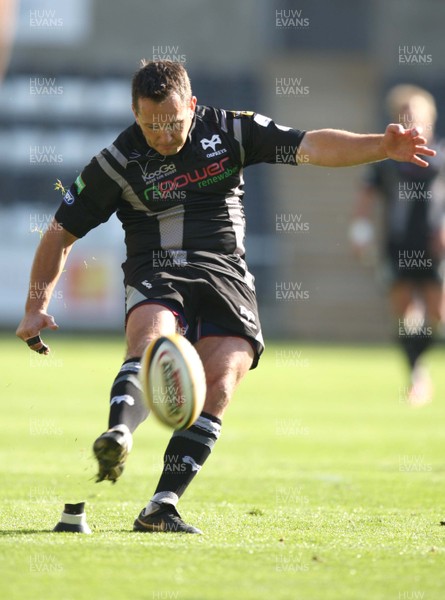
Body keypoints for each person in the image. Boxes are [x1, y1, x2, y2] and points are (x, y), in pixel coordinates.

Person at [16, 61, 436, 534]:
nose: (162, 135)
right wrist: (36, 305)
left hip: (225, 273)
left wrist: (381, 146)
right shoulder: (117, 161)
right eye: (150, 124)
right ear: (135, 113)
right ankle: (119, 433)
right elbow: (59, 233)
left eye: (172, 122)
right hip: (158, 267)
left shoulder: (233, 130)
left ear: (191, 106)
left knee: (224, 374)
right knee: (152, 334)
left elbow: (312, 146)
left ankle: (162, 504)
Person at [350, 84, 445, 406]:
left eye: (416, 114)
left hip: (435, 246)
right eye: (404, 115)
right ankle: (416, 376)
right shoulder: (386, 162)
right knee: (405, 315)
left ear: (429, 117)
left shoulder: (441, 158)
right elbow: (365, 198)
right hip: (399, 245)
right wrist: (360, 234)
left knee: (438, 313)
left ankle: (420, 365)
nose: (411, 120)